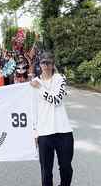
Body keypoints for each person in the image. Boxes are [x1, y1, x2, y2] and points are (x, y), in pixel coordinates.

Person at [30, 52, 74, 186]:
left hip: (63, 131)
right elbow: (33, 109)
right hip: (44, 133)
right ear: (40, 64)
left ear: (53, 64)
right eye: (43, 62)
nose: (46, 65)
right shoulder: (34, 82)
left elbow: (56, 100)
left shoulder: (60, 78)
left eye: (49, 63)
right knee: (46, 172)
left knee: (66, 168)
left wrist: (40, 89)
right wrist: (35, 132)